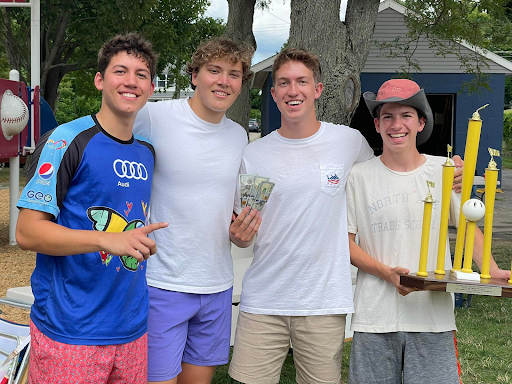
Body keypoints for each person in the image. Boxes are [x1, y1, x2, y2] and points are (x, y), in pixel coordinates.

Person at [15, 33, 168, 383]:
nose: (131, 81)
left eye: (141, 74)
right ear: (100, 80)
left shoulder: (147, 151)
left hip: (131, 328)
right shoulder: (66, 140)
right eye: (120, 71)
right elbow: (26, 231)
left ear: (150, 86)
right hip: (70, 330)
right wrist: (106, 241)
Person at [346, 78, 511, 384]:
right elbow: (347, 243)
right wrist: (386, 272)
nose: (397, 124)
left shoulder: (445, 171)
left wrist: (492, 269)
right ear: (377, 125)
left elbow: (466, 225)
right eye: (388, 116)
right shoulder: (358, 176)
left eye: (406, 115)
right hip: (374, 317)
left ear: (421, 122)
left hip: (432, 317)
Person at [133, 37, 259, 384]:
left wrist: (241, 234)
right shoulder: (154, 116)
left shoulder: (237, 136)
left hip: (216, 285)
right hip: (162, 282)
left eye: (234, 74)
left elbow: (231, 211)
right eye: (214, 70)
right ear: (194, 75)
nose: (223, 81)